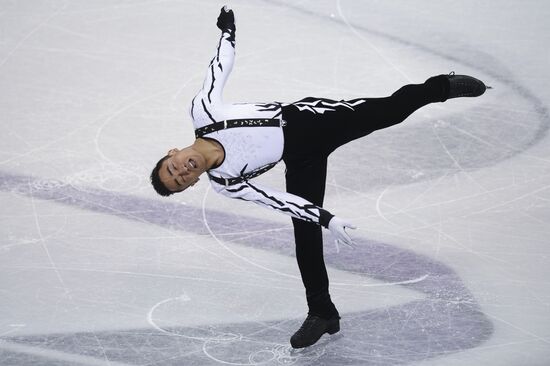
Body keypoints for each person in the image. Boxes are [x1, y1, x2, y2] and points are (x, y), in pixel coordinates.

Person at [150, 6, 487, 348]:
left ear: (172, 151)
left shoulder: (204, 111)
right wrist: (326, 218)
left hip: (314, 119)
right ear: (192, 185)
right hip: (301, 160)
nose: (181, 172)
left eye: (172, 168)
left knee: (390, 111)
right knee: (304, 231)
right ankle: (322, 313)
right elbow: (281, 201)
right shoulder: (226, 182)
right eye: (180, 181)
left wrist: (227, 32)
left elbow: (218, 70)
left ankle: (439, 86)